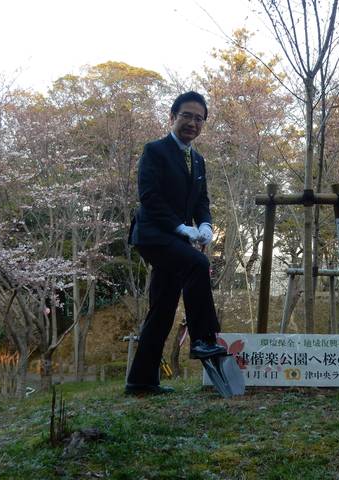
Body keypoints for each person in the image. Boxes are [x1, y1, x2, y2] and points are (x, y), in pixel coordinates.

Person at [125, 91, 226, 395]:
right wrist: (181, 227)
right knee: (198, 264)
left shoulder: (198, 160)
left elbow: (202, 201)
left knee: (163, 307)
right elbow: (149, 197)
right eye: (187, 115)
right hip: (154, 235)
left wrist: (205, 225)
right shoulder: (154, 151)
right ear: (172, 117)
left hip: (175, 238)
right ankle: (203, 339)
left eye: (199, 118)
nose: (193, 123)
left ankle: (140, 380)